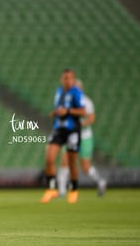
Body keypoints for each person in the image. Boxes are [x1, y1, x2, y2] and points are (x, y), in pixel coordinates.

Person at [40, 68, 86, 204]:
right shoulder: (59, 91)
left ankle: (74, 189)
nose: (67, 80)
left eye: (70, 78)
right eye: (65, 78)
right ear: (62, 79)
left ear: (73, 79)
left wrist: (67, 111)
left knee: (72, 162)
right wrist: (56, 113)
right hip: (58, 129)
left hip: (72, 130)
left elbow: (83, 111)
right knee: (49, 158)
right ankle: (51, 188)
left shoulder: (76, 92)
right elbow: (60, 108)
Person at [57, 79, 106, 197]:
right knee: (64, 162)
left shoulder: (87, 102)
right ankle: (62, 191)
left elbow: (91, 118)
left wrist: (79, 125)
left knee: (85, 166)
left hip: (84, 137)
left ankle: (100, 181)